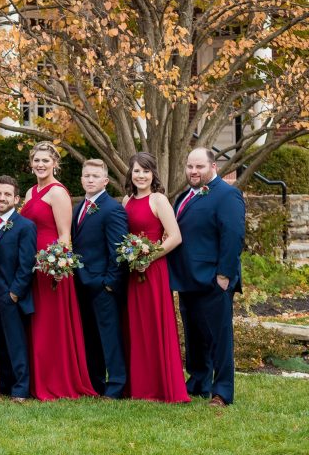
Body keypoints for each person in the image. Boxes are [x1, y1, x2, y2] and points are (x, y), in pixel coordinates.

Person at [19, 142, 97, 400]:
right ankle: (37, 378)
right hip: (32, 264)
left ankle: (58, 379)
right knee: (36, 321)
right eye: (36, 160)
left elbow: (65, 235)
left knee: (52, 323)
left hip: (51, 267)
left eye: (45, 160)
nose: (40, 164)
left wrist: (59, 265)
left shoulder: (58, 192)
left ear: (55, 164)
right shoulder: (30, 192)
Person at [167, 147, 245, 406]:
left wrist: (224, 275)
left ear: (213, 167)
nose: (193, 171)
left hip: (214, 279)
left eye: (199, 167)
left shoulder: (227, 195)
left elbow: (233, 236)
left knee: (219, 338)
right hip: (188, 278)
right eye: (190, 166)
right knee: (195, 335)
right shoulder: (185, 196)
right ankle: (199, 381)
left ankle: (222, 392)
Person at [121, 152, 189, 403]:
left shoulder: (159, 199)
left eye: (146, 171)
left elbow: (175, 236)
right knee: (134, 326)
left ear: (153, 174)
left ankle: (159, 386)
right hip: (132, 271)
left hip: (153, 270)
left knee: (153, 324)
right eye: (136, 171)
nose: (140, 175)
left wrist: (149, 257)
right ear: (130, 173)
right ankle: (138, 385)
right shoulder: (126, 200)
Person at [71, 159, 129, 398]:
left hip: (103, 285)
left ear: (105, 180)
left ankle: (116, 385)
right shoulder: (79, 208)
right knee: (90, 337)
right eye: (86, 176)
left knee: (109, 338)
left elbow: (119, 250)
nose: (90, 180)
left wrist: (108, 283)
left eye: (95, 176)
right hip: (82, 283)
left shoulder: (112, 209)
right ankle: (95, 384)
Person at [0, 175, 38, 402]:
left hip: (11, 295)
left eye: (6, 194)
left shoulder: (25, 226)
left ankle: (21, 388)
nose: (1, 198)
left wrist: (14, 293)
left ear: (16, 198)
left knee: (16, 344)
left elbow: (27, 264)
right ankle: (3, 383)